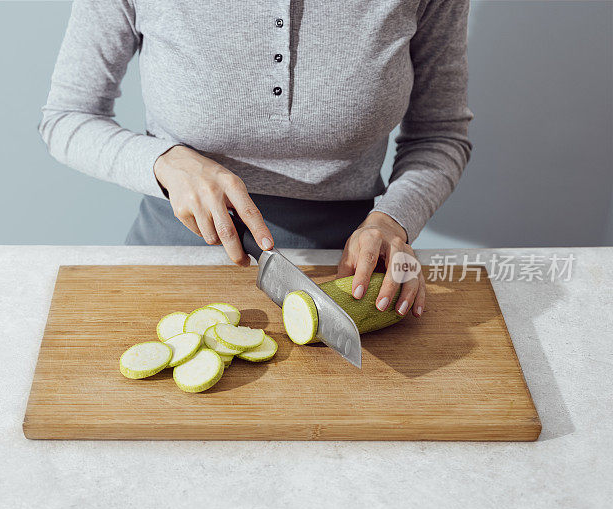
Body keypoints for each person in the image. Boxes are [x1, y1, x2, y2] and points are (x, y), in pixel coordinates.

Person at [38, 0, 472, 320]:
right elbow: (67, 118)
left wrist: (393, 220)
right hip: (174, 256)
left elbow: (440, 135)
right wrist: (165, 162)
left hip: (349, 268)